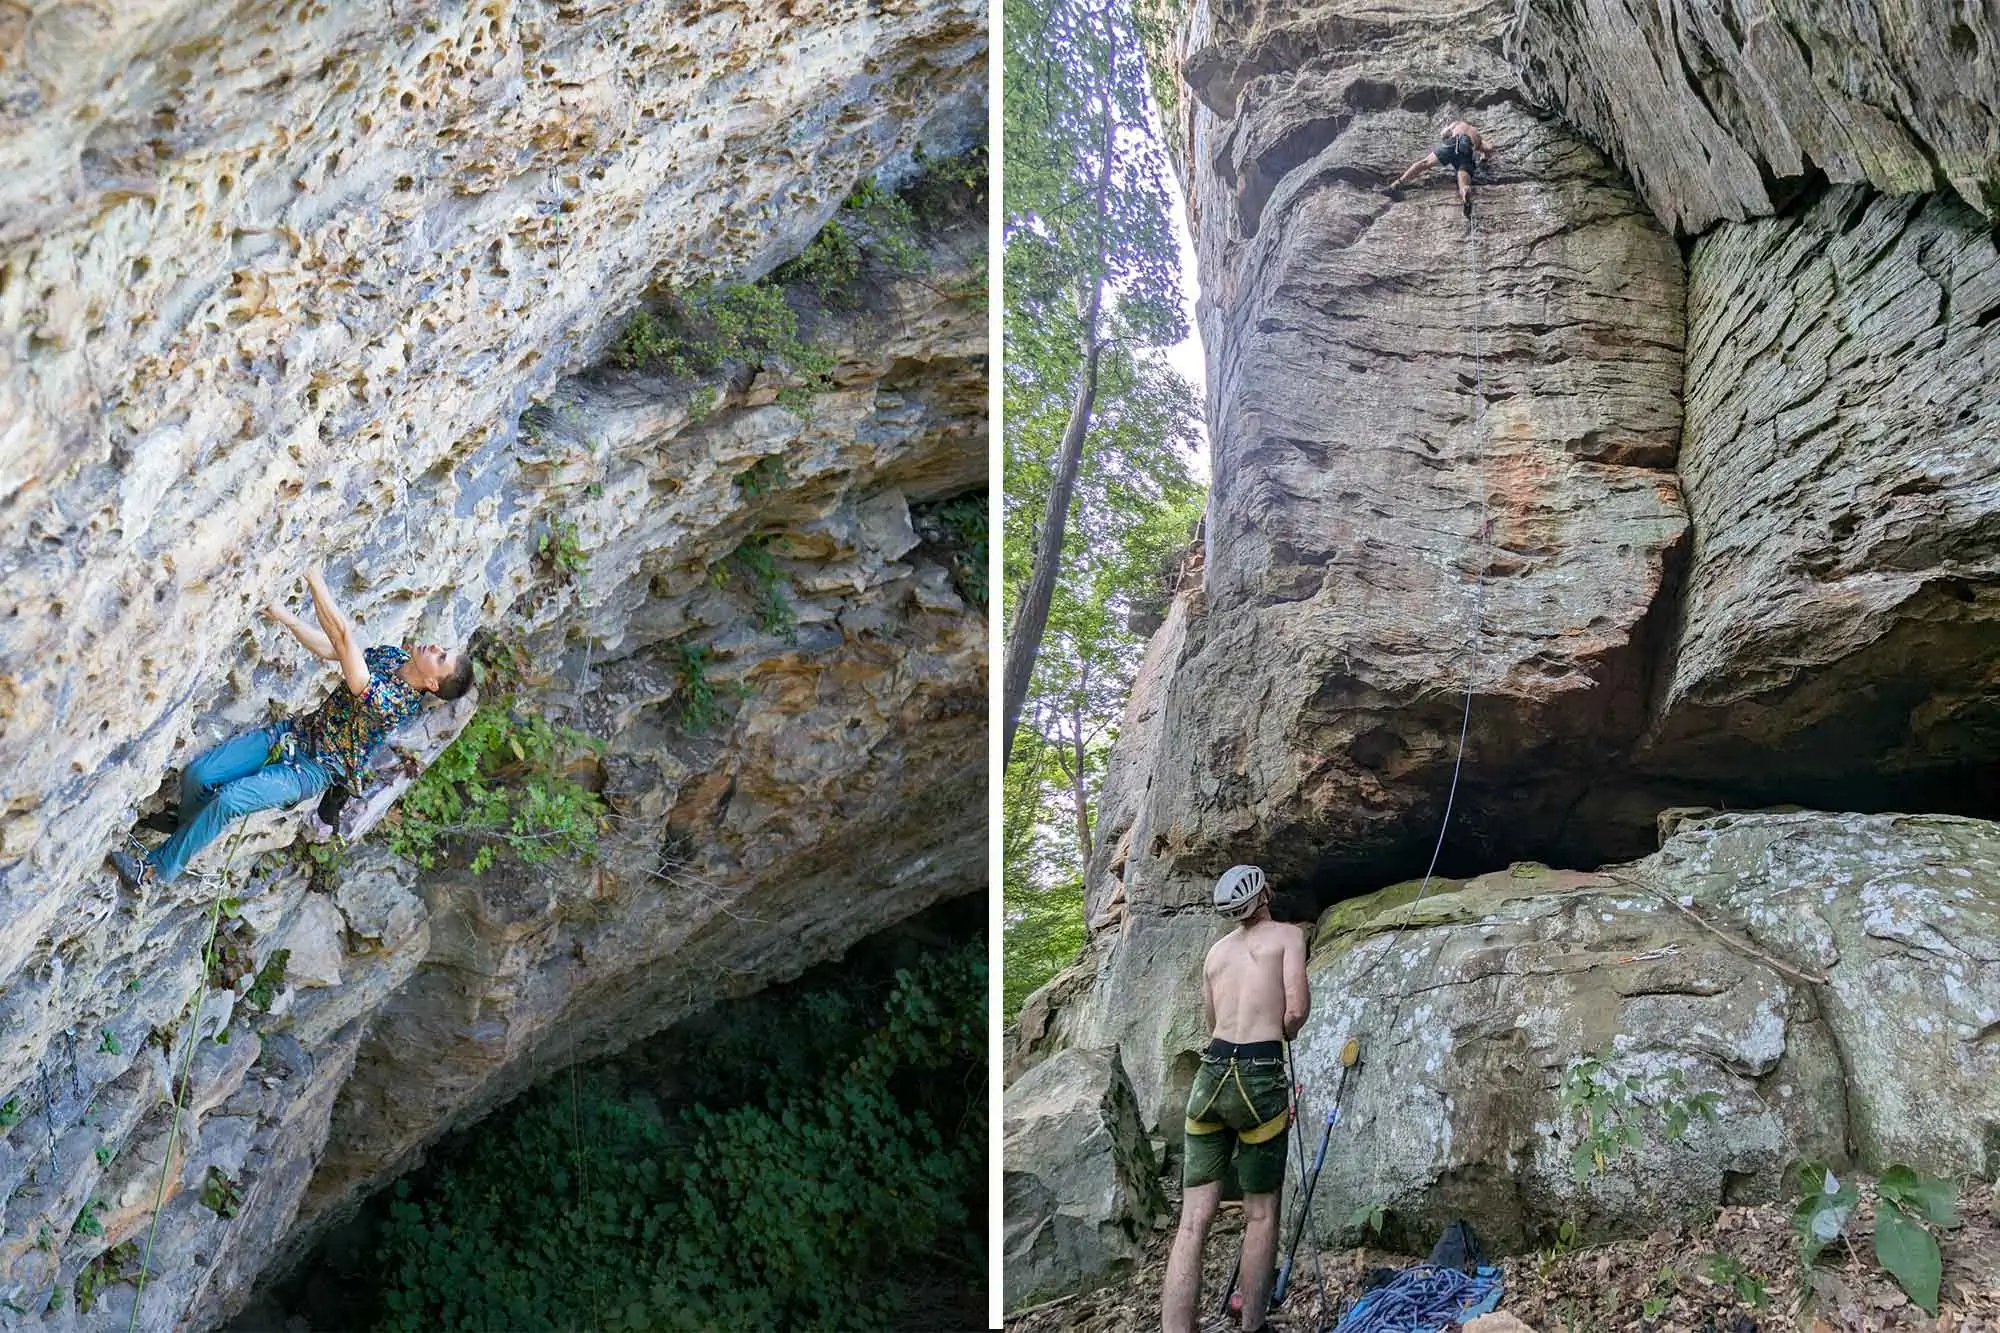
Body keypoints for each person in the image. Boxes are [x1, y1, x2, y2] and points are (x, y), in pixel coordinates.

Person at [110, 569, 472, 887]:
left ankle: (153, 872)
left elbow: (345, 637)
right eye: (443, 649)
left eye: (441, 658)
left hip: (312, 771)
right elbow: (336, 650)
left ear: (433, 684)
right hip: (292, 736)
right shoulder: (394, 657)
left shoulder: (393, 704)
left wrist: (313, 576)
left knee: (230, 799)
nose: (436, 647)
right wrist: (288, 619)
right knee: (199, 776)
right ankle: (187, 831)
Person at [1161, 865, 1311, 1333]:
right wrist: (1280, 1025)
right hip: (1259, 1075)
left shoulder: (1215, 953)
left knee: (1192, 1222)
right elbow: (1295, 1012)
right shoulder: (1287, 936)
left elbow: (1212, 1023)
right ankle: (1251, 1325)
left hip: (1210, 1077)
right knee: (1260, 1213)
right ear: (1263, 892)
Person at [1386, 119, 1495, 217]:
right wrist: (1483, 159)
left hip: (1452, 143)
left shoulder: (1458, 124)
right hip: (1467, 151)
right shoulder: (1477, 136)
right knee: (1462, 180)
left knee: (1425, 163)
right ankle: (1464, 193)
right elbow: (1489, 148)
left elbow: (1444, 134)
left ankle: (1397, 184)